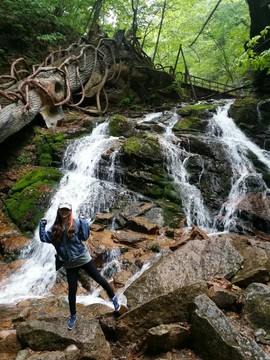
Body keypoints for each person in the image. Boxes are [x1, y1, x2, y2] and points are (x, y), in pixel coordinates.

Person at [39, 202, 120, 330]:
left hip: (83, 258)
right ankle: (73, 315)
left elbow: (85, 236)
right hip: (69, 263)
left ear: (70, 211)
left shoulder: (76, 223)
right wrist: (42, 225)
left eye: (66, 210)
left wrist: (84, 223)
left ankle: (114, 298)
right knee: (72, 289)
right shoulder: (54, 228)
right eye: (62, 210)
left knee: (98, 278)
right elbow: (44, 238)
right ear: (59, 211)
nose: (64, 212)